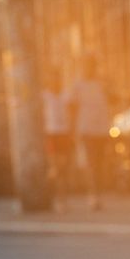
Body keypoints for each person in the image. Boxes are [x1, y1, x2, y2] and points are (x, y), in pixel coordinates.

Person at [67, 55, 112, 211]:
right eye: (86, 65)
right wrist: (72, 129)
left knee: (99, 164)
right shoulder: (77, 86)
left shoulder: (101, 84)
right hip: (86, 129)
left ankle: (97, 193)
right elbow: (71, 107)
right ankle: (93, 196)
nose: (89, 68)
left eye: (91, 65)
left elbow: (112, 99)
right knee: (91, 163)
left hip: (102, 129)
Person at [42, 68, 72, 213]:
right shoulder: (44, 96)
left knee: (63, 168)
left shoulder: (65, 95)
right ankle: (52, 196)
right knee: (55, 168)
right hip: (51, 135)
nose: (54, 81)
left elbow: (72, 113)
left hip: (64, 135)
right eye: (51, 78)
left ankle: (62, 199)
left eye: (56, 78)